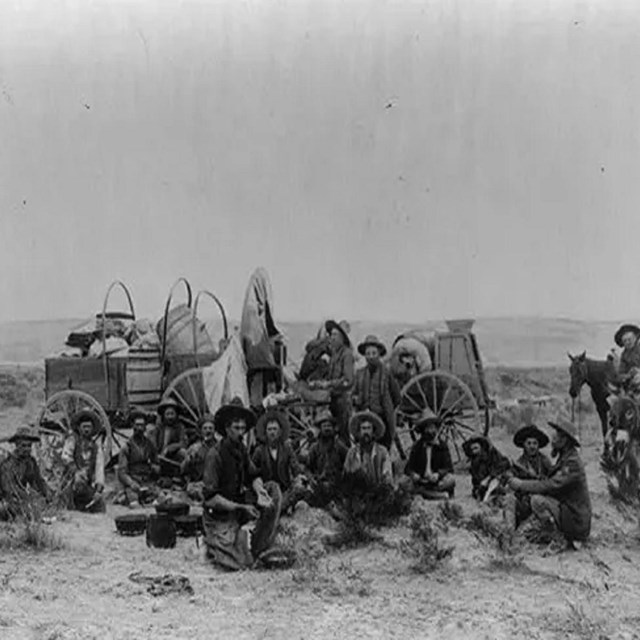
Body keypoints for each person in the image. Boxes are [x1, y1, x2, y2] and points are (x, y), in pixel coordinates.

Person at [202, 397, 282, 571]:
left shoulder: (241, 449)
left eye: (243, 428)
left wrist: (260, 491)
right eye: (236, 428)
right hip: (219, 515)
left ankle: (259, 543)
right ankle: (216, 543)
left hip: (239, 508)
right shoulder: (214, 455)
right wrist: (240, 507)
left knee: (272, 489)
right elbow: (210, 498)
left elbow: (253, 475)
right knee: (241, 564)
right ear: (226, 429)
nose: (241, 432)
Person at [508, 419, 592, 548]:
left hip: (575, 520)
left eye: (557, 434)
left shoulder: (571, 462)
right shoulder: (565, 458)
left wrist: (521, 484)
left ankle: (558, 537)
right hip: (568, 512)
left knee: (537, 501)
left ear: (564, 440)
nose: (554, 437)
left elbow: (550, 485)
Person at [353, 335, 401, 452]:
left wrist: (386, 408)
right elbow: (353, 394)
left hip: (382, 417)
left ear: (379, 354)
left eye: (374, 353)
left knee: (383, 448)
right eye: (368, 354)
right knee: (365, 447)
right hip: (365, 418)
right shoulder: (360, 374)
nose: (371, 357)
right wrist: (357, 400)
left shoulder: (386, 373)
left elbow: (396, 396)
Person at [310, 320, 354, 445]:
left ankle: (347, 459)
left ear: (342, 338)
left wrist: (328, 384)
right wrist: (320, 383)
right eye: (331, 335)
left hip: (343, 400)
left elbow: (348, 380)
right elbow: (331, 377)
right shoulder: (335, 354)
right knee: (333, 432)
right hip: (333, 399)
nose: (332, 337)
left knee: (343, 435)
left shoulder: (347, 354)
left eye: (335, 335)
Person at [252, 410, 305, 513]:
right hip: (267, 491)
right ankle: (277, 508)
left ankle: (280, 507)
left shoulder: (287, 448)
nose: (272, 432)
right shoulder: (259, 450)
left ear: (280, 432)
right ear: (265, 432)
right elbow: (252, 472)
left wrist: (299, 477)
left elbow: (295, 467)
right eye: (269, 429)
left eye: (275, 429)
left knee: (300, 488)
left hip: (284, 489)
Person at [504, 424, 553, 531]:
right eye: (529, 443)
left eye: (535, 443)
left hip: (540, 502)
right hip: (525, 502)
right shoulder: (520, 462)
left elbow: (554, 481)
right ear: (524, 445)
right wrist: (510, 477)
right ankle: (509, 531)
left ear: (539, 446)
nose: (532, 446)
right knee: (509, 499)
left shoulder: (545, 461)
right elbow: (509, 474)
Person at [61, 409, 105, 512]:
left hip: (86, 485)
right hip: (71, 483)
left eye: (89, 427)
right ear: (79, 428)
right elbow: (65, 457)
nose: (86, 430)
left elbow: (99, 468)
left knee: (100, 505)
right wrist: (76, 472)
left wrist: (99, 489)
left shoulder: (96, 447)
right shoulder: (72, 441)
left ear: (92, 429)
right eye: (84, 427)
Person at [0, 426, 49, 520]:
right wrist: (28, 499)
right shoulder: (8, 463)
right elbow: (9, 489)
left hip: (20, 498)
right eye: (23, 445)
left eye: (29, 446)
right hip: (6, 498)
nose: (27, 449)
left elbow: (38, 482)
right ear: (17, 445)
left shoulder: (31, 462)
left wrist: (47, 494)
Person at [404, 411, 455, 499]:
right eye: (427, 428)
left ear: (436, 429)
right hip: (421, 481)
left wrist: (438, 474)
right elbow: (408, 468)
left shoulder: (442, 446)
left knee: (451, 480)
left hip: (437, 481)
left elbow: (449, 468)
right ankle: (436, 494)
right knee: (403, 482)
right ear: (423, 430)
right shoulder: (417, 446)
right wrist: (414, 474)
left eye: (432, 428)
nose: (430, 431)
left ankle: (424, 493)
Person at [115, 410, 160, 507]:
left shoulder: (150, 445)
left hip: (147, 480)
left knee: (161, 500)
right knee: (134, 503)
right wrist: (131, 483)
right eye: (137, 425)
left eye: (142, 425)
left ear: (145, 427)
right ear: (133, 426)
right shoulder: (127, 447)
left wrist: (155, 468)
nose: (139, 428)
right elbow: (122, 472)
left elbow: (156, 462)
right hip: (133, 480)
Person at [305, 408, 349, 505]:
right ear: (320, 429)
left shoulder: (339, 446)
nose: (327, 428)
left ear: (333, 428)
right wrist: (311, 479)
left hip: (337, 485)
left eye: (329, 426)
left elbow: (349, 461)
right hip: (320, 484)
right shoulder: (314, 448)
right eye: (324, 426)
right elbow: (307, 468)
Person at [343, 410, 393, 486]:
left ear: (373, 431)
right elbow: (346, 474)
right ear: (359, 432)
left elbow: (387, 475)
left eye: (369, 428)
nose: (366, 432)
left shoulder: (382, 452)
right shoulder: (351, 453)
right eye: (363, 428)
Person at [181, 414, 218, 502]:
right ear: (201, 431)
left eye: (210, 428)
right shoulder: (194, 448)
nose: (208, 431)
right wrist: (189, 459)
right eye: (205, 428)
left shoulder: (220, 447)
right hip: (199, 484)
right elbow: (183, 470)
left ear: (214, 431)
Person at [463, 435, 510, 502]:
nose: (474, 451)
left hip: (498, 480)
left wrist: (489, 477)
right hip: (484, 487)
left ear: (481, 447)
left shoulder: (492, 453)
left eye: (476, 448)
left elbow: (505, 463)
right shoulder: (474, 463)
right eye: (472, 450)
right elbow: (476, 481)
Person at [148, 398, 187, 479]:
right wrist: (155, 455)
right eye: (167, 414)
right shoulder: (158, 428)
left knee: (183, 452)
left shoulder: (180, 427)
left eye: (172, 414)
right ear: (163, 415)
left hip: (172, 458)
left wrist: (169, 448)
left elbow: (183, 443)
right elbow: (152, 444)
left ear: (176, 415)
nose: (170, 417)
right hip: (159, 457)